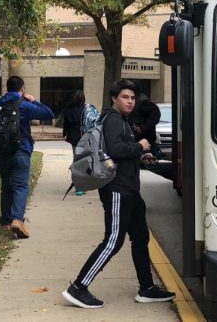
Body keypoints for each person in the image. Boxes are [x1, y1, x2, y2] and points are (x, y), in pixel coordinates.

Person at [62, 79, 175, 309]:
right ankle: (78, 288)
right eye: (125, 97)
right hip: (117, 191)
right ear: (114, 98)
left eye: (133, 98)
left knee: (141, 237)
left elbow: (118, 152)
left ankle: (147, 288)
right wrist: (140, 147)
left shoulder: (122, 120)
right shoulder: (113, 119)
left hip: (130, 190)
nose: (130, 101)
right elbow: (116, 149)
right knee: (113, 241)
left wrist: (140, 156)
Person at [0, 76, 53, 239]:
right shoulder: (23, 105)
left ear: (7, 88)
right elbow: (48, 113)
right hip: (20, 150)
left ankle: (5, 221)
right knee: (21, 186)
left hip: (1, 153)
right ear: (22, 89)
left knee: (7, 185)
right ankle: (17, 219)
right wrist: (34, 100)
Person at [129, 93, 172, 181]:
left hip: (145, 141)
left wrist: (142, 127)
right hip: (140, 142)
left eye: (131, 98)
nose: (129, 101)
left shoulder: (142, 102)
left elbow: (155, 114)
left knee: (150, 164)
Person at [61, 90, 88, 195]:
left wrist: (64, 134)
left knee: (77, 158)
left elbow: (66, 124)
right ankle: (80, 186)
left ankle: (79, 184)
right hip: (85, 137)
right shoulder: (86, 109)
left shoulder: (69, 110)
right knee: (83, 160)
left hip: (74, 138)